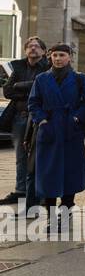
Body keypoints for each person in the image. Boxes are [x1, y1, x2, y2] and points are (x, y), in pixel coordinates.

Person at [26, 43, 85, 221]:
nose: (58, 59)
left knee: (70, 173)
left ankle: (66, 210)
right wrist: (42, 120)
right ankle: (50, 216)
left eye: (62, 55)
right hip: (49, 131)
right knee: (48, 174)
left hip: (71, 130)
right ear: (50, 57)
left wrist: (77, 118)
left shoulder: (80, 78)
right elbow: (33, 103)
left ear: (69, 57)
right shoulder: (41, 79)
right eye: (55, 55)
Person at [1, 36, 50, 207]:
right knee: (20, 157)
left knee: (39, 157)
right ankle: (20, 190)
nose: (33, 49)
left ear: (43, 51)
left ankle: (40, 193)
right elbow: (7, 91)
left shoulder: (48, 67)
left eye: (37, 46)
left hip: (38, 117)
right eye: (30, 46)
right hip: (20, 116)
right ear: (25, 50)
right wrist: (26, 88)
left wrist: (19, 87)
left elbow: (43, 90)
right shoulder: (19, 66)